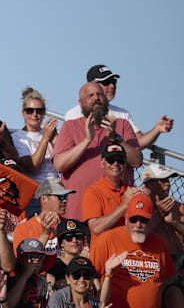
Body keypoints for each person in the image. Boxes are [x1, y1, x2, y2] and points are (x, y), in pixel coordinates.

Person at [52, 81, 142, 221]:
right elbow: (59, 165)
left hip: (118, 215)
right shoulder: (70, 126)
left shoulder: (122, 125)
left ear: (105, 100)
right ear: (80, 103)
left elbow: (137, 161)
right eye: (90, 95)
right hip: (78, 216)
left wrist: (116, 138)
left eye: (99, 94)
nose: (96, 98)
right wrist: (86, 140)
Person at [89, 194, 175, 308]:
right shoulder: (107, 239)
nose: (138, 225)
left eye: (144, 220)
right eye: (134, 219)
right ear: (126, 217)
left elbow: (167, 282)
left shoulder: (159, 243)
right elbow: (90, 276)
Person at [64, 64, 174, 148]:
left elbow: (138, 142)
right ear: (92, 85)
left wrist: (157, 129)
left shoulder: (122, 113)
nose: (112, 86)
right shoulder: (74, 113)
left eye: (114, 81)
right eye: (106, 82)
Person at [82, 143, 141, 242]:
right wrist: (124, 206)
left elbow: (144, 227)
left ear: (125, 164)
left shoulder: (133, 190)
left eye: (120, 160)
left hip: (130, 251)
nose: (116, 164)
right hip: (105, 252)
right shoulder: (93, 191)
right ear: (102, 163)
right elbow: (96, 228)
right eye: (111, 160)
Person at [45, 257, 111, 308]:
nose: (82, 280)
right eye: (76, 276)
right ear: (67, 279)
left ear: (91, 280)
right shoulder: (58, 298)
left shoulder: (95, 304)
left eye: (86, 276)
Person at [12, 179, 75, 257]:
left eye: (66, 196)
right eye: (61, 196)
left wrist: (60, 237)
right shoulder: (23, 228)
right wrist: (45, 234)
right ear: (44, 199)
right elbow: (25, 261)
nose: (65, 200)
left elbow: (73, 258)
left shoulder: (69, 225)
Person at [6, 239, 52, 308]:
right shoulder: (11, 279)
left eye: (39, 258)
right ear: (21, 260)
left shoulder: (45, 280)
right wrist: (26, 275)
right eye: (31, 257)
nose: (35, 261)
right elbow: (9, 304)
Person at [11, 87, 58, 183]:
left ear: (44, 113)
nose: (34, 114)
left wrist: (55, 141)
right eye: (30, 110)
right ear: (23, 113)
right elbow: (33, 167)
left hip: (57, 189)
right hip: (36, 192)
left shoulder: (51, 133)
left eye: (39, 111)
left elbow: (61, 164)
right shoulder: (17, 137)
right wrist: (45, 138)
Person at [47, 219, 87, 287]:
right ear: (61, 243)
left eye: (78, 236)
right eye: (69, 237)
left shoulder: (87, 265)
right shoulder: (53, 267)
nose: (74, 240)